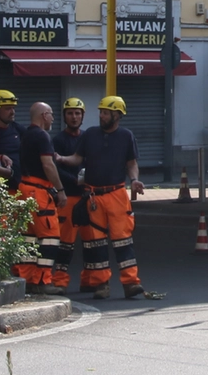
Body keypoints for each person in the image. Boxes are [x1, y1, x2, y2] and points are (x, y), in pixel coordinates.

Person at [54, 96, 145, 300]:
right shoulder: (91, 134)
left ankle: (131, 283)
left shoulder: (126, 136)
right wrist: (61, 159)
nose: (101, 116)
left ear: (117, 115)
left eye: (105, 112)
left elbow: (131, 163)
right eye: (101, 112)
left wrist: (135, 180)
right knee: (95, 244)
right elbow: (78, 158)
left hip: (117, 194)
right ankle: (100, 284)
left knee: (123, 241)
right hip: (94, 196)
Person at [12, 102, 67, 294]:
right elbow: (48, 165)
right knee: (50, 237)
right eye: (51, 114)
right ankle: (44, 281)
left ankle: (26, 279)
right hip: (38, 192)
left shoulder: (26, 135)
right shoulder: (42, 136)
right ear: (44, 115)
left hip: (24, 190)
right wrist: (60, 189)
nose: (53, 119)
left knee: (29, 237)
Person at [49, 97, 87, 291]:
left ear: (83, 116)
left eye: (77, 113)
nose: (74, 117)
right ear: (64, 116)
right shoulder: (58, 140)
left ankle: (91, 281)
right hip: (68, 197)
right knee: (65, 243)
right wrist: (73, 180)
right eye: (70, 113)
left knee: (92, 242)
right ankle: (60, 281)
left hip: (88, 197)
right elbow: (53, 167)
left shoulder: (87, 138)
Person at [0, 89, 23, 190]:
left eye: (13, 108)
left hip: (20, 187)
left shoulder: (18, 129)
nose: (12, 112)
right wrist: (0, 157)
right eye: (8, 109)